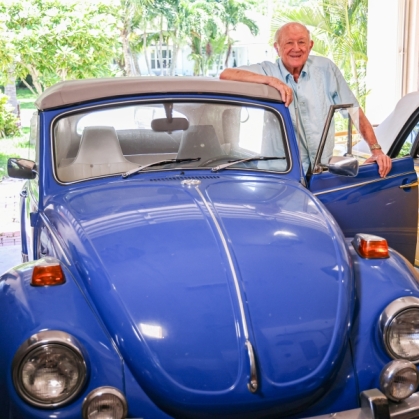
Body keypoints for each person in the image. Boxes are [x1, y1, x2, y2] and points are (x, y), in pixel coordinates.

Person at [220, 22, 392, 178]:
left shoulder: (326, 69)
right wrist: (271, 81)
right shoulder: (267, 70)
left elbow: (353, 111)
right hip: (280, 175)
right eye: (289, 43)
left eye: (301, 42)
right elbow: (226, 74)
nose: (296, 48)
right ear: (277, 48)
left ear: (310, 46)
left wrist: (376, 150)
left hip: (321, 173)